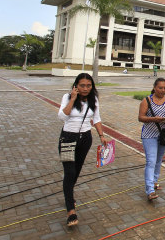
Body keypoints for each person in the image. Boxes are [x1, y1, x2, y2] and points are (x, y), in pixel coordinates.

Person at [58, 73, 108, 227]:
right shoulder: (67, 97)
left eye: (88, 85)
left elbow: (97, 119)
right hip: (68, 138)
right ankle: (71, 210)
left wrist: (101, 135)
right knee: (70, 172)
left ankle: (69, 194)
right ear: (76, 86)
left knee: (77, 170)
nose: (85, 88)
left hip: (85, 139)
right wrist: (73, 99)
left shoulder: (94, 99)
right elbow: (62, 116)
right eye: (82, 85)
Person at [138, 78, 165, 200]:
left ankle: (154, 181)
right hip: (149, 135)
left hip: (164, 134)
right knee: (151, 161)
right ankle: (149, 190)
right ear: (154, 87)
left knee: (159, 160)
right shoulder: (146, 100)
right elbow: (141, 117)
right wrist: (154, 119)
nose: (163, 90)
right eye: (160, 88)